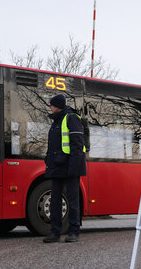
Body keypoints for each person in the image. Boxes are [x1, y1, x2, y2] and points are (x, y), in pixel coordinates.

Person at [42, 94, 87, 243]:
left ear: (58, 105)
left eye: (52, 105)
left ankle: (74, 231)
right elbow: (53, 145)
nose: (50, 107)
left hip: (70, 165)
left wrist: (73, 167)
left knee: (73, 200)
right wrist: (48, 160)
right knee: (55, 200)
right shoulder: (55, 121)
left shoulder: (71, 118)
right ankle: (55, 232)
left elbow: (77, 144)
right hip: (57, 166)